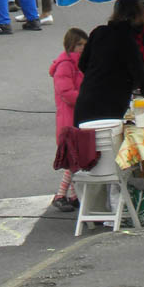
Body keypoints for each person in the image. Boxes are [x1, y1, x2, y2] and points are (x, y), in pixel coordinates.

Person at [73, 0, 144, 124]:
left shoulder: (98, 32)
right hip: (109, 106)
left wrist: (99, 76)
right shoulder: (127, 40)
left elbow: (82, 64)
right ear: (137, 17)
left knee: (84, 136)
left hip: (86, 101)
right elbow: (140, 76)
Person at [50, 27, 87, 210]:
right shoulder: (65, 65)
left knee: (75, 160)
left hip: (76, 117)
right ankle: (61, 195)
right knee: (73, 160)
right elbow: (66, 92)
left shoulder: (80, 63)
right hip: (69, 119)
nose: (82, 48)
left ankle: (72, 196)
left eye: (85, 44)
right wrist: (86, 99)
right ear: (71, 45)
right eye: (79, 44)